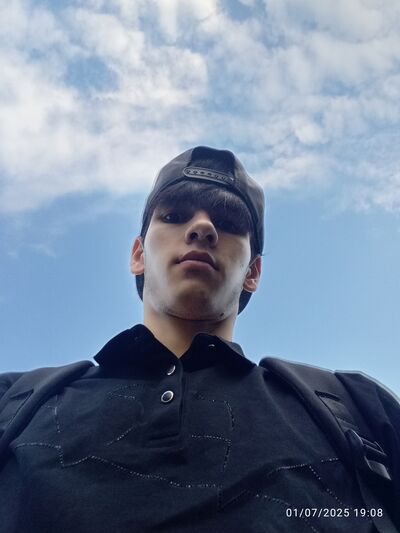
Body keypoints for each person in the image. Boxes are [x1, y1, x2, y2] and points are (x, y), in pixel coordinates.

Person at [0, 146, 399, 532]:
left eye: (228, 223)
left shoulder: (357, 408)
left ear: (253, 273)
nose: (203, 228)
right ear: (138, 255)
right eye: (174, 215)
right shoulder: (14, 402)